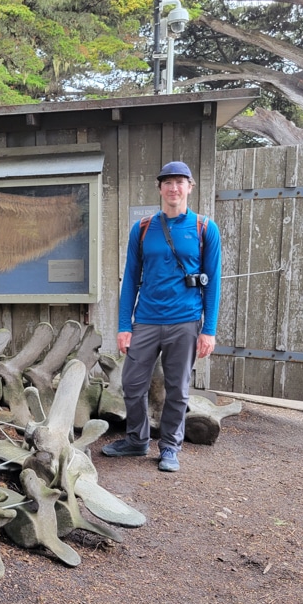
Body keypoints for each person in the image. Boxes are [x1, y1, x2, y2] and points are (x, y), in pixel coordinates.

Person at [101, 160, 221, 472]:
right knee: (132, 383)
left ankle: (169, 447)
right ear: (159, 188)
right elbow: (129, 280)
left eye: (180, 182)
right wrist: (124, 325)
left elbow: (214, 281)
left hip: (185, 320)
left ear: (190, 187)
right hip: (147, 319)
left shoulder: (204, 228)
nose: (173, 188)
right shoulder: (142, 229)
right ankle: (137, 440)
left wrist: (208, 329)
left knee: (178, 388)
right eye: (167, 182)